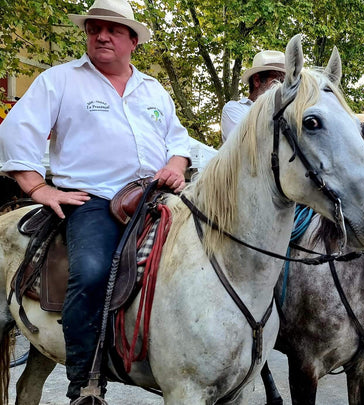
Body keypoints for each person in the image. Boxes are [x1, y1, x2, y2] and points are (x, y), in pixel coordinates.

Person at [0, 0, 191, 402]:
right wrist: (39, 189)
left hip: (159, 199)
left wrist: (176, 163)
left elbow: (179, 140)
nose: (101, 35)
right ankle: (86, 383)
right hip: (95, 200)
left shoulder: (154, 89)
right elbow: (16, 134)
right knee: (90, 272)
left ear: (133, 41)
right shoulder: (60, 80)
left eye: (113, 29)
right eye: (94, 29)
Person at [220, 49, 285, 142]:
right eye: (279, 81)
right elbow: (244, 145)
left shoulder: (285, 113)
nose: (283, 87)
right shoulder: (234, 109)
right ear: (257, 80)